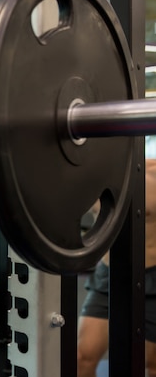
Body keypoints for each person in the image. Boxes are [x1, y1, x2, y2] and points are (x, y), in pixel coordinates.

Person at [77, 158, 156, 377]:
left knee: (151, 365)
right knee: (82, 358)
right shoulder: (90, 173)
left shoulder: (153, 173)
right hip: (108, 276)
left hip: (152, 278)